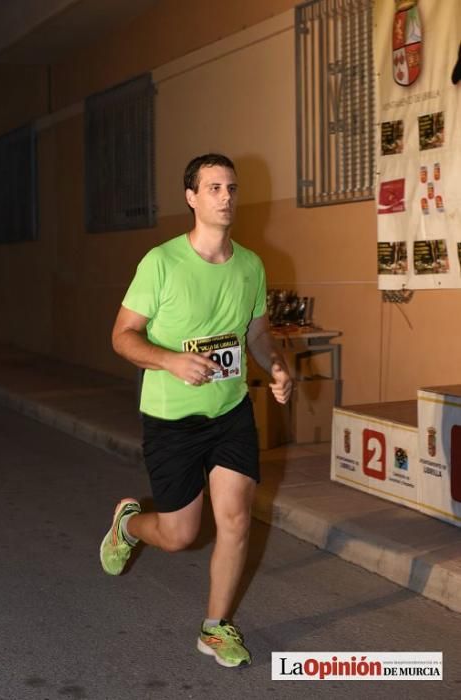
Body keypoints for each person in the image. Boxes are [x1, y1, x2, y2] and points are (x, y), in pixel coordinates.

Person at [100, 153, 292, 668]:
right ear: (191, 197)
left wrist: (276, 367)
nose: (226, 196)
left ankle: (215, 628)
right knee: (181, 534)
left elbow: (256, 334)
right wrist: (169, 361)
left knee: (234, 519)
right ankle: (129, 524)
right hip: (171, 418)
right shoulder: (160, 263)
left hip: (229, 411)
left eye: (231, 187)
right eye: (213, 188)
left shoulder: (251, 265)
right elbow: (122, 336)